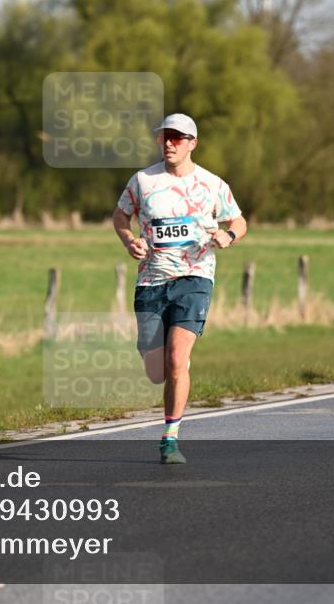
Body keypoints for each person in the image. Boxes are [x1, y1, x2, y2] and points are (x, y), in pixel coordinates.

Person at [113, 113, 246, 464]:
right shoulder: (143, 180)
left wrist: (227, 235)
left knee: (176, 358)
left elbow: (238, 219)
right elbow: (120, 215)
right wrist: (129, 240)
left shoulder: (211, 183)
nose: (169, 143)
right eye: (164, 136)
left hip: (195, 277)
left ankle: (170, 438)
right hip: (151, 280)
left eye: (177, 137)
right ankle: (175, 369)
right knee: (157, 371)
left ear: (192, 143)